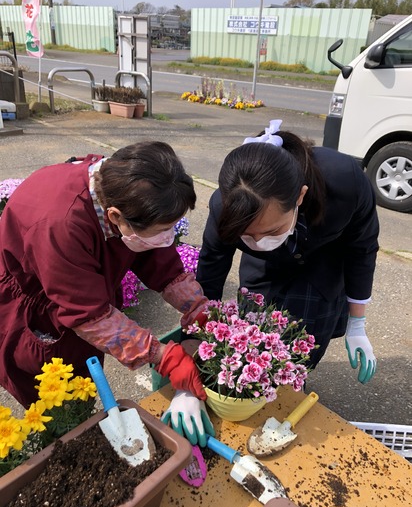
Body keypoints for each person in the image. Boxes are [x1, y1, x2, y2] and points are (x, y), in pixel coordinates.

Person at [0, 141, 211, 410]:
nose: (168, 237)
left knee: (84, 377)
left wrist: (195, 306)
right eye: (162, 230)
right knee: (59, 402)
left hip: (80, 295)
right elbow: (89, 315)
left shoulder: (121, 184)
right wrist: (161, 355)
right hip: (40, 309)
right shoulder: (61, 225)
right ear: (115, 216)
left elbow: (156, 255)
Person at [196, 120, 379, 384]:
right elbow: (212, 264)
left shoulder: (344, 181)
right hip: (264, 269)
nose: (259, 241)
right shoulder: (223, 207)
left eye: (271, 231)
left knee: (305, 345)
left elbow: (362, 249)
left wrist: (357, 323)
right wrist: (200, 329)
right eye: (248, 235)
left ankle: (292, 383)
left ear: (300, 196)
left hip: (323, 262)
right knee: (253, 340)